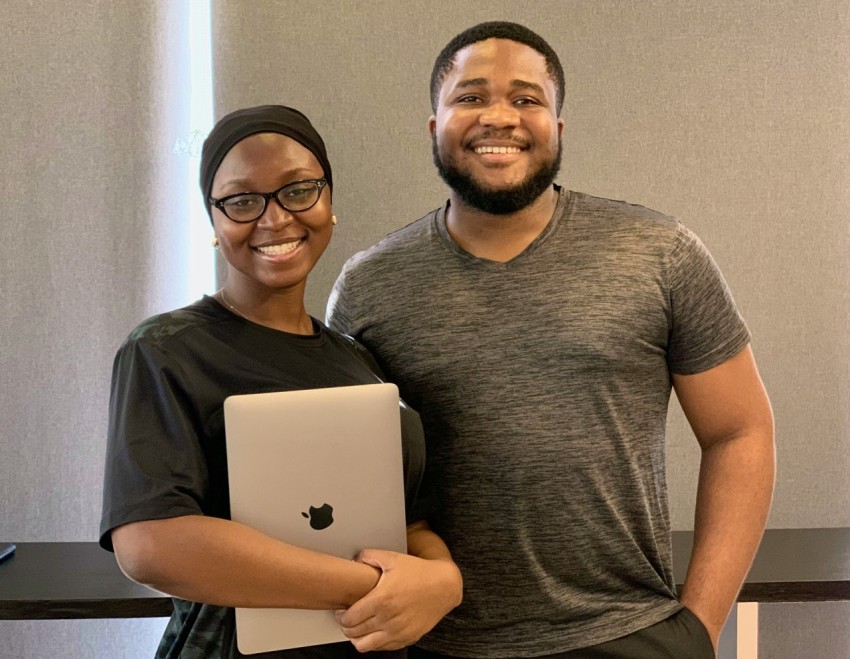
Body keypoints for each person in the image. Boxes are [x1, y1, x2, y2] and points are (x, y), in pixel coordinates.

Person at [327, 21, 775, 659]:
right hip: (441, 644)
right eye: (471, 97)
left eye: (527, 99)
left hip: (629, 634)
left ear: (557, 128)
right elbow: (354, 483)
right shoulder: (369, 286)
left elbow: (740, 432)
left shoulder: (658, 253)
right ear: (435, 127)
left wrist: (699, 626)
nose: (499, 118)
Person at [100, 104, 462, 659]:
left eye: (298, 190)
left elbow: (403, 518)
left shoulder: (358, 360)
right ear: (215, 223)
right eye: (242, 201)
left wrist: (442, 579)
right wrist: (367, 589)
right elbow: (151, 543)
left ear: (330, 203)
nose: (274, 219)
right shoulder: (166, 349)